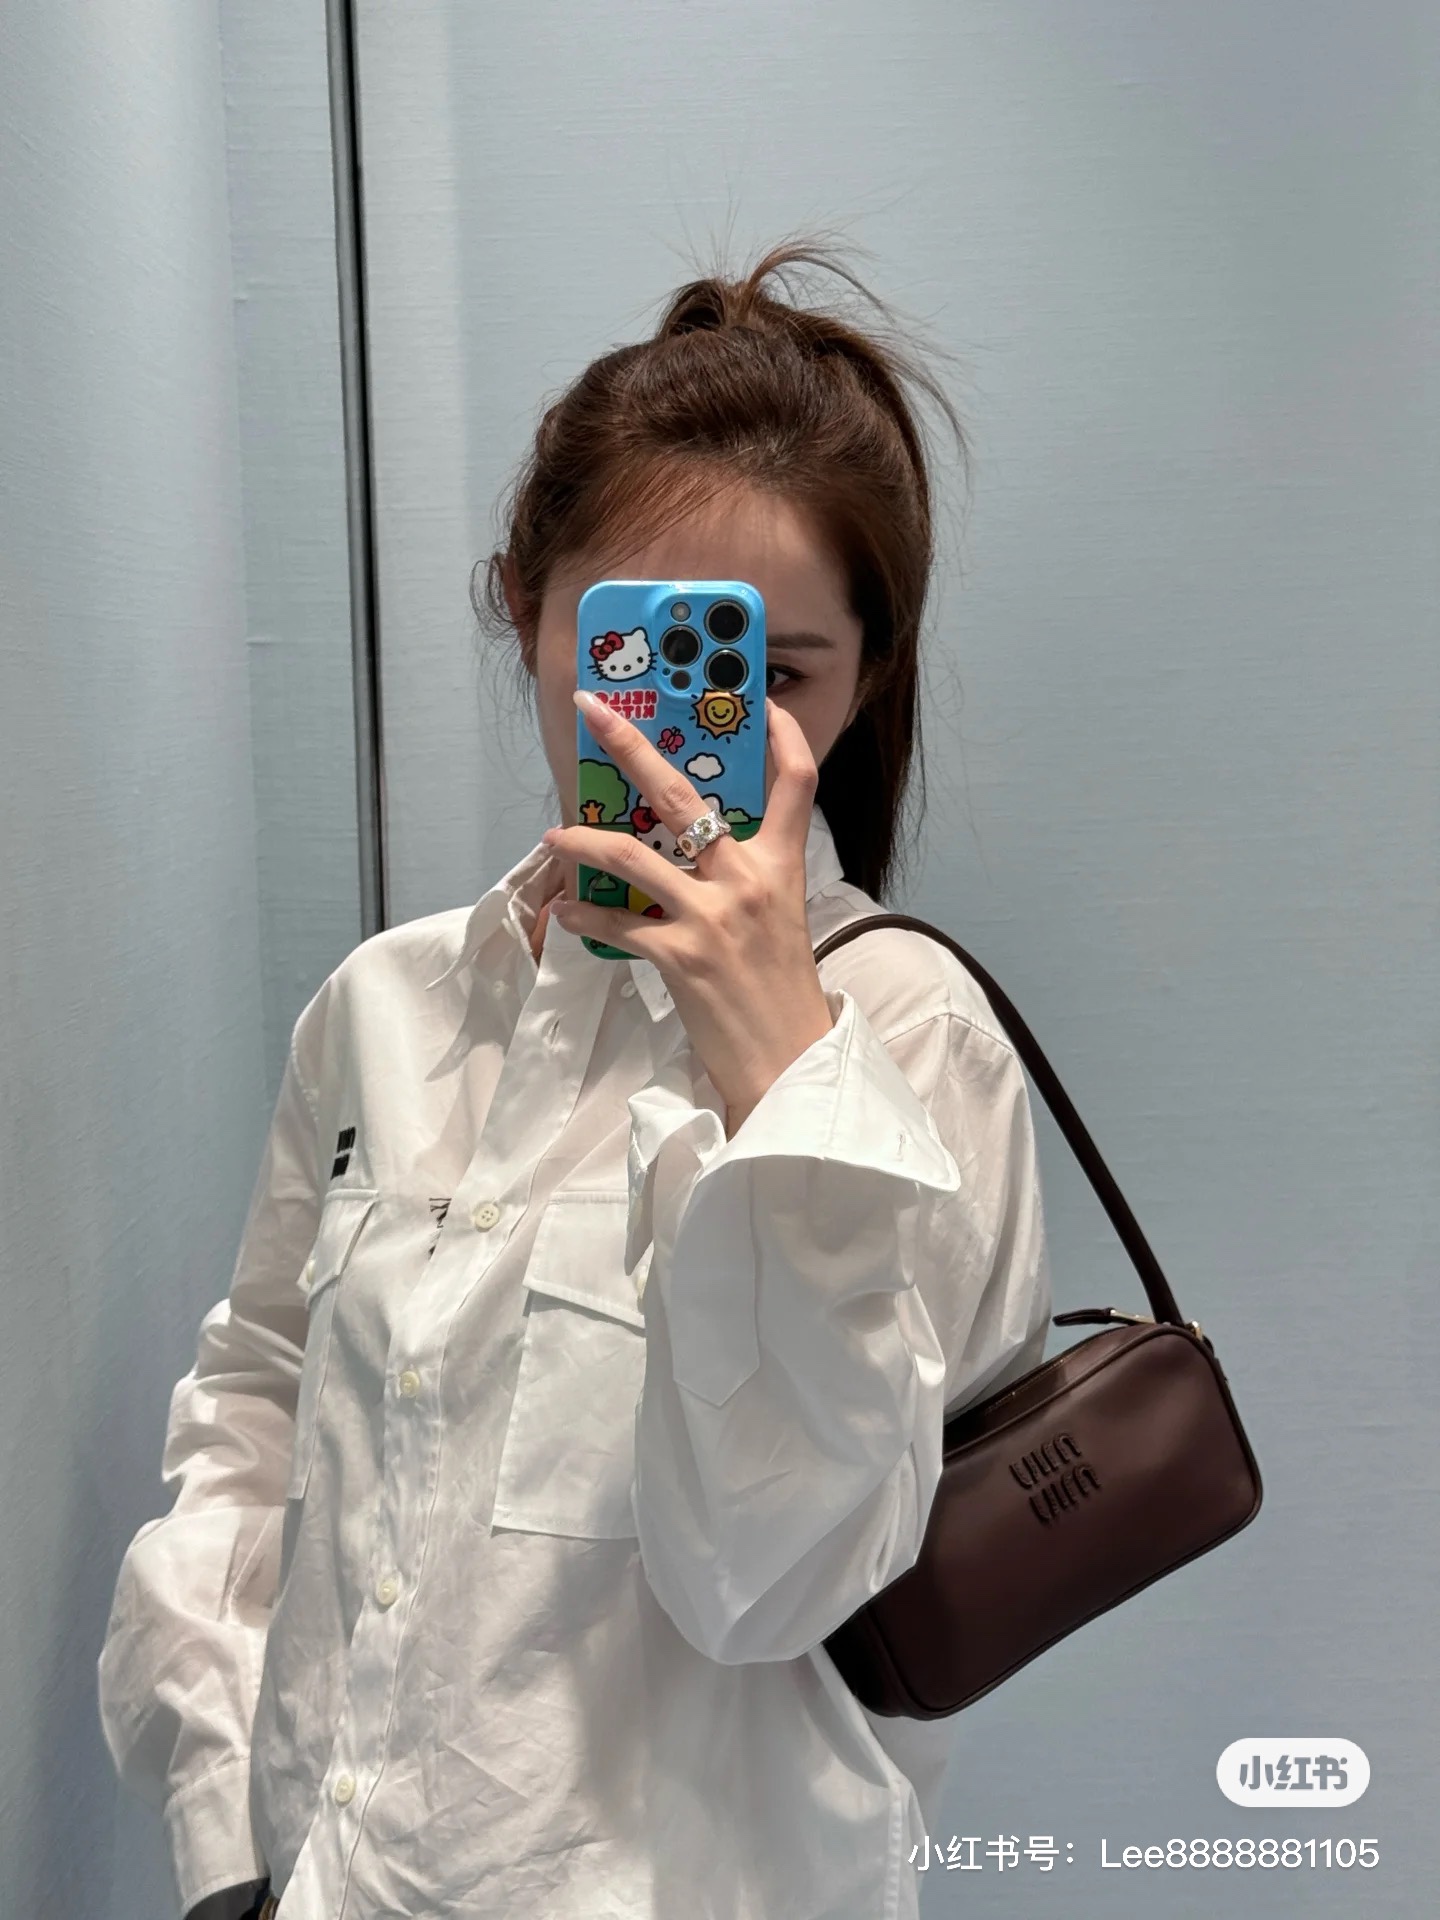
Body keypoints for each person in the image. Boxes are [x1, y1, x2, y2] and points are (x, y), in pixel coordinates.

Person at [98, 236, 1053, 1920]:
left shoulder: (911, 1041)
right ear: (524, 606)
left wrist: (780, 1080)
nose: (678, 736)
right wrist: (222, 1831)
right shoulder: (385, 1007)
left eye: (777, 676)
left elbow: (774, 1583)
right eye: (637, 663)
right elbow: (256, 1409)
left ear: (866, 682)